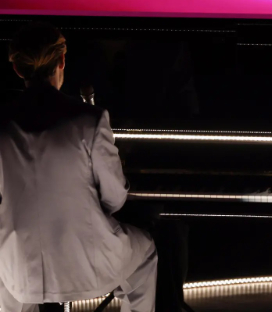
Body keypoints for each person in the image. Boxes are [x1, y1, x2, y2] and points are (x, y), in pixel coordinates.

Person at [0, 22, 158, 312]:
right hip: (87, 264)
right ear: (62, 61)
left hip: (21, 270)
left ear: (18, 69)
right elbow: (115, 198)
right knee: (145, 253)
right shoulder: (91, 119)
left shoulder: (3, 123)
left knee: (8, 276)